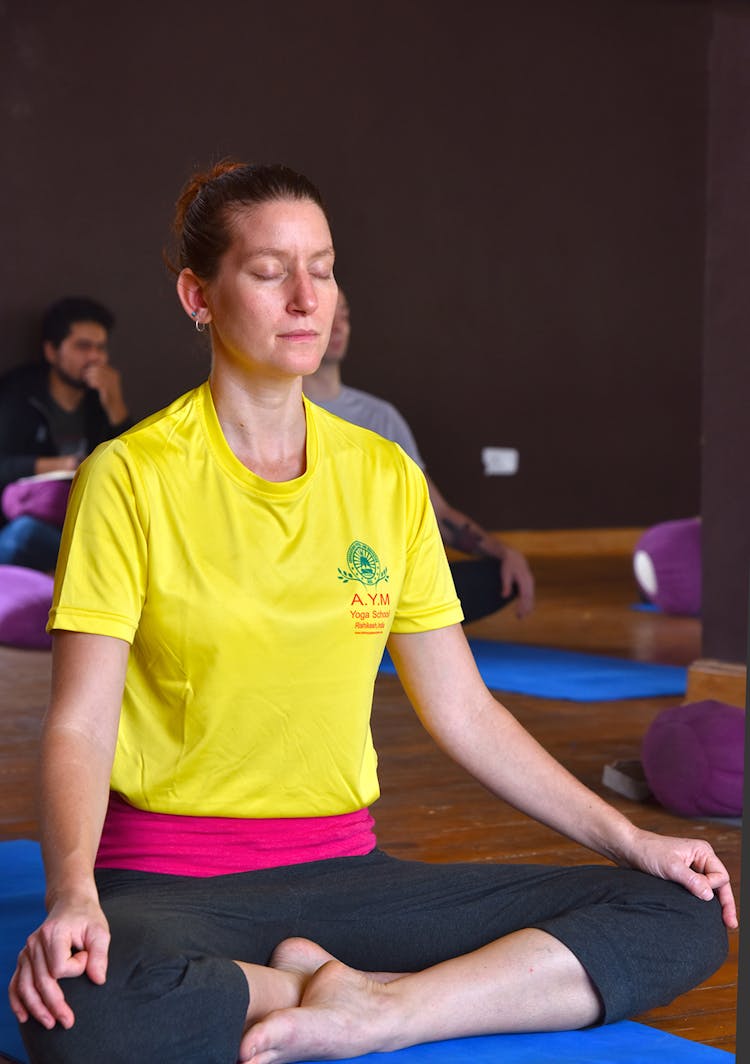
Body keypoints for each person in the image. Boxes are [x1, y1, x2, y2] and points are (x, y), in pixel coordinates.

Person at [9, 161, 734, 1064]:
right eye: (271, 271)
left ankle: (384, 1011)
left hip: (348, 876)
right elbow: (79, 720)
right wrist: (72, 892)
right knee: (84, 1008)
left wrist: (634, 839)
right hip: (175, 880)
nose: (307, 296)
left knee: (680, 912)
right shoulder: (131, 477)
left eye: (325, 265)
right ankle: (323, 988)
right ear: (199, 294)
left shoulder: (384, 476)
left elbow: (464, 710)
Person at [304, 289, 535, 622]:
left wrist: (504, 552)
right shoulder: (280, 412)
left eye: (345, 314)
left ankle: (379, 622)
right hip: (311, 582)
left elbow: (436, 513)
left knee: (497, 576)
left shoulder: (381, 417)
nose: (339, 325)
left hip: (378, 583)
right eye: (329, 313)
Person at [0, 296, 131, 570]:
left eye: (101, 348)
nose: (95, 357)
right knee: (24, 535)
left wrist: (117, 407)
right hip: (27, 520)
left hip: (86, 521)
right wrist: (60, 466)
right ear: (51, 351)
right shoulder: (16, 394)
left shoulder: (101, 400)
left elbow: (134, 471)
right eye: (83, 346)